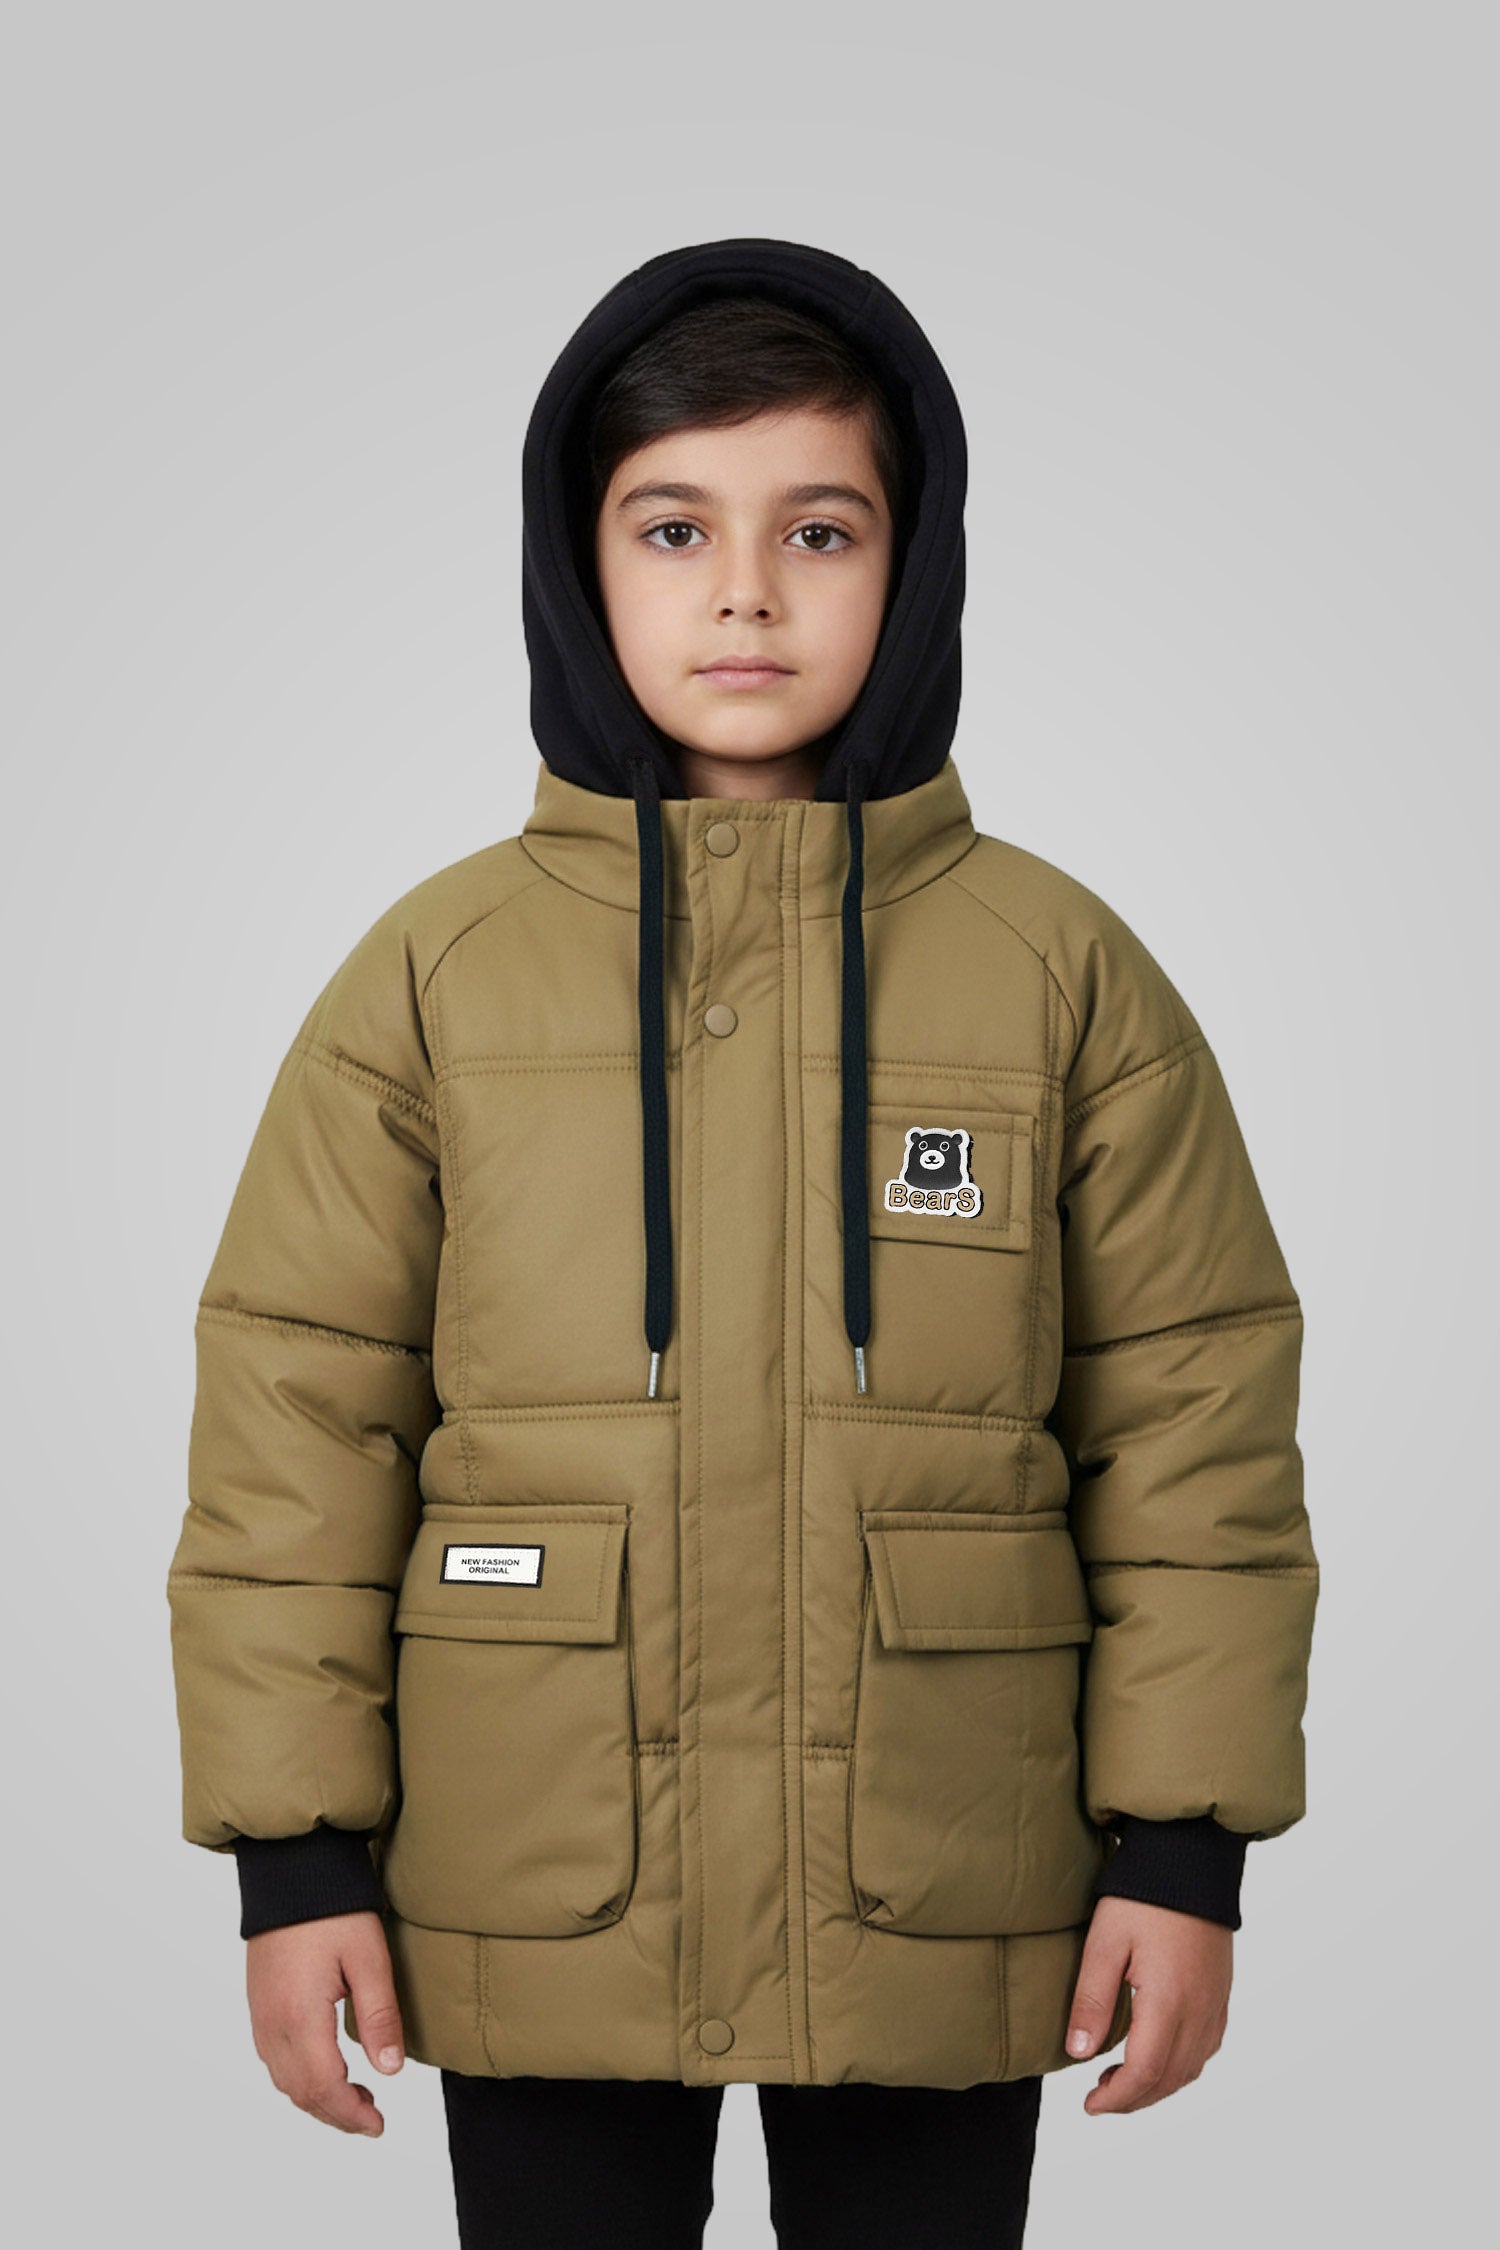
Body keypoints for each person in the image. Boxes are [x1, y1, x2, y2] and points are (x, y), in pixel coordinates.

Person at [166, 238, 1319, 2249]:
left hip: (941, 1872)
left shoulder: (1061, 976)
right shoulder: (436, 978)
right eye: (675, 526)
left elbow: (1194, 1426)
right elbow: (295, 1429)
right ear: (577, 563)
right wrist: (298, 1857)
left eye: (822, 529)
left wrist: (1184, 1847)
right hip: (538, 1872)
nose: (746, 594)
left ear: (918, 563)